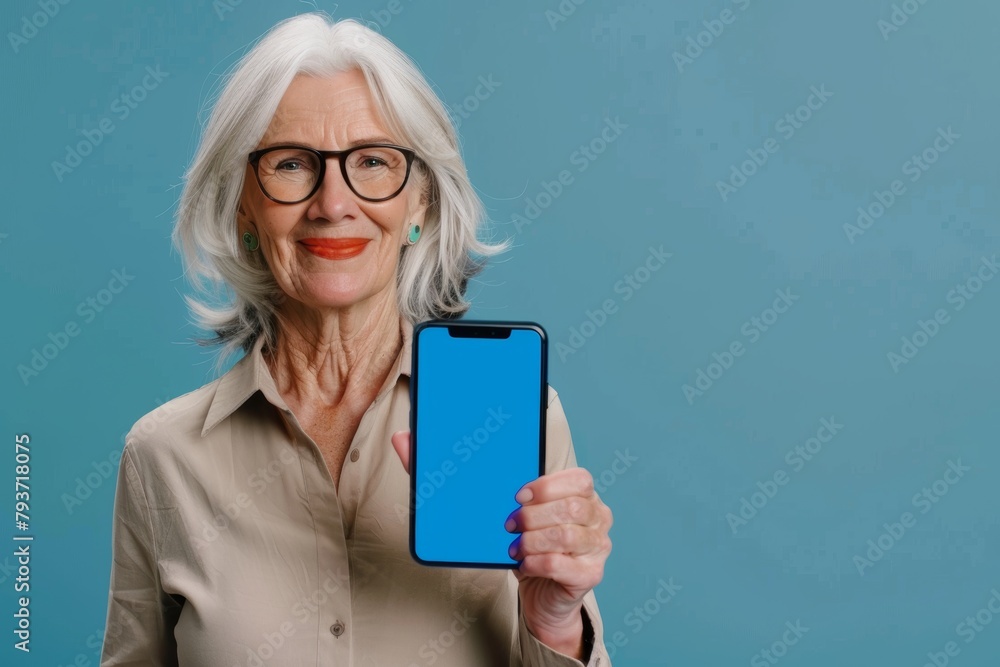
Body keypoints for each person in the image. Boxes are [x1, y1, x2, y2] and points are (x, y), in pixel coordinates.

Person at [99, 12, 613, 666]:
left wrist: (555, 620)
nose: (333, 202)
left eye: (372, 161)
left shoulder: (522, 418)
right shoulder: (161, 457)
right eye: (291, 164)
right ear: (242, 209)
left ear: (419, 205)